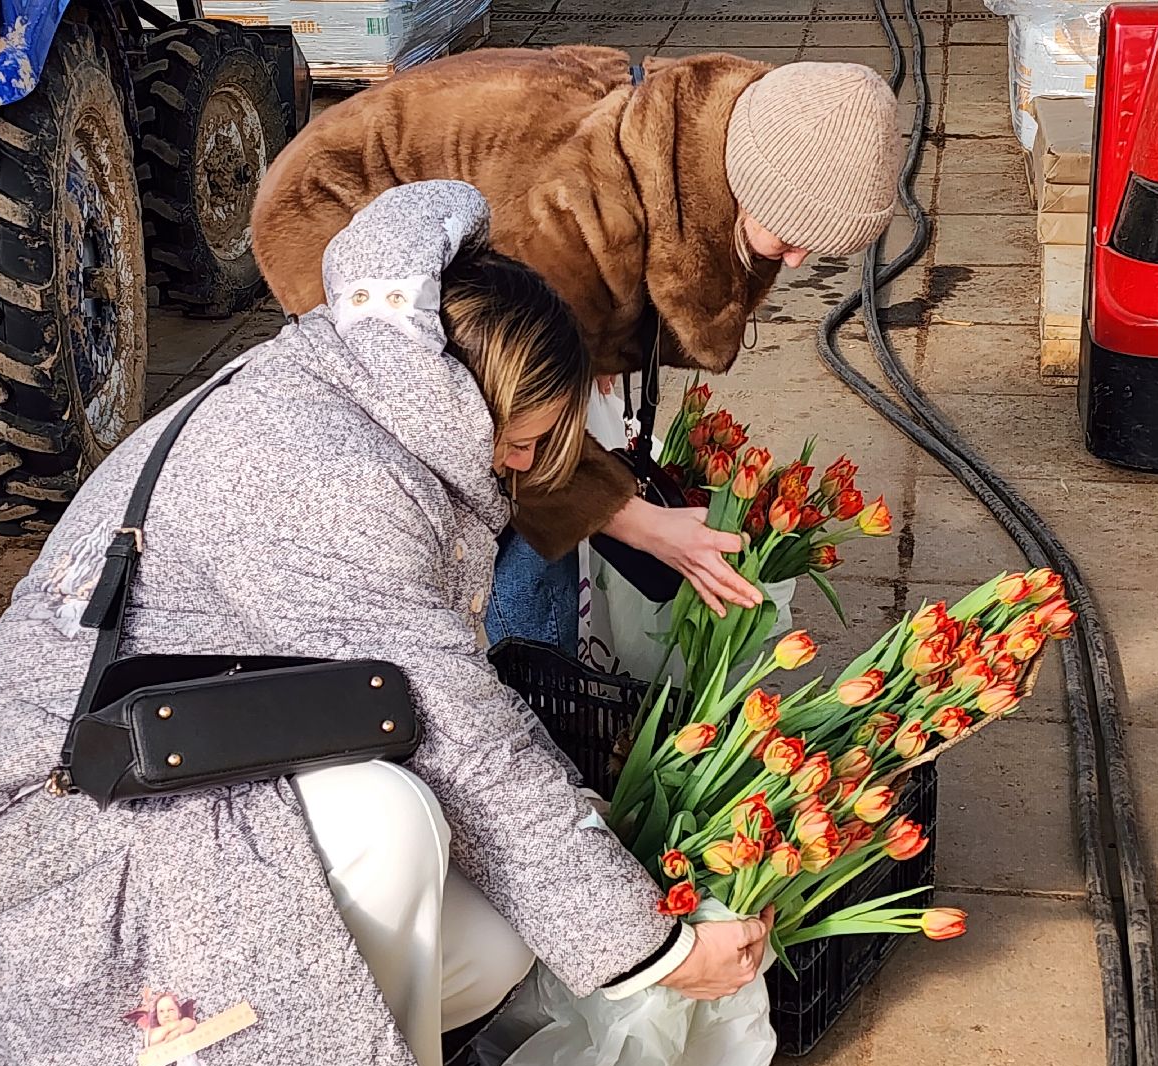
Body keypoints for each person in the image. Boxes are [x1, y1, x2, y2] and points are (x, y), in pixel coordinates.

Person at [0, 182, 772, 1066]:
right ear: (466, 396)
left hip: (157, 746)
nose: (519, 469)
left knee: (492, 943)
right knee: (392, 818)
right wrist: (657, 951)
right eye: (521, 443)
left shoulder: (341, 384)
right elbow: (464, 738)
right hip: (49, 829)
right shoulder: (332, 480)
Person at [251, 48, 902, 655]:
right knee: (476, 454)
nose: (795, 260)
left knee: (546, 430)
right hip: (333, 203)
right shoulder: (577, 212)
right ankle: (514, 668)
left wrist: (590, 354)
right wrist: (639, 522)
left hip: (473, 205)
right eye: (790, 234)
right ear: (747, 181)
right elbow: (496, 408)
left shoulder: (705, 123)